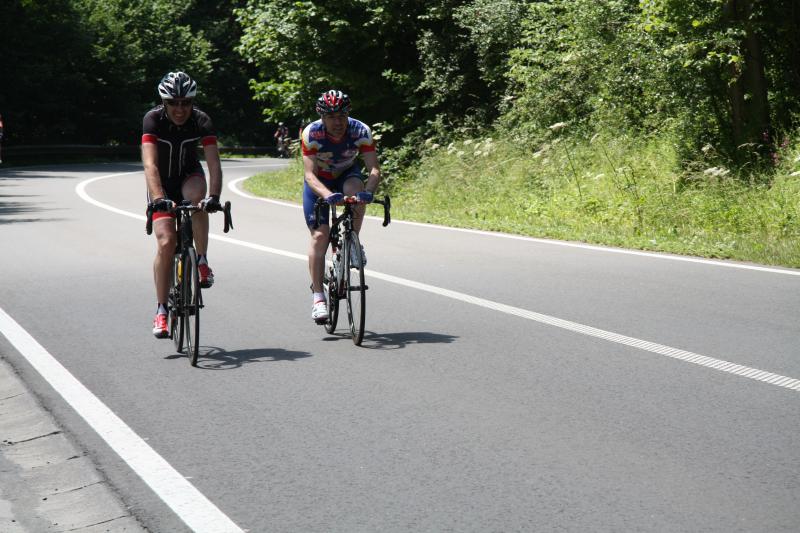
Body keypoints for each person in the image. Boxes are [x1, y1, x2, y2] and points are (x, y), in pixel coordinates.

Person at [142, 71, 223, 338]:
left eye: (186, 103)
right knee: (166, 242)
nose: (180, 109)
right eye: (173, 103)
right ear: (164, 103)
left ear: (192, 102)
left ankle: (201, 260)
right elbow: (150, 164)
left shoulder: (201, 120)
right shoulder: (153, 120)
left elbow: (213, 163)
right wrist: (158, 198)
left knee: (198, 201)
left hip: (189, 176)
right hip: (161, 184)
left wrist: (214, 196)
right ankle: (161, 310)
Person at [301, 90, 381, 322]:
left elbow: (374, 169)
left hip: (347, 173)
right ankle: (318, 297)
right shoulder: (312, 133)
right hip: (320, 180)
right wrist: (327, 195)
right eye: (331, 117)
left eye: (342, 116)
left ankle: (353, 240)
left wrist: (368, 192)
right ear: (322, 118)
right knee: (320, 236)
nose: (337, 122)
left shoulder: (360, 130)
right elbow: (309, 175)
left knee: (356, 191)